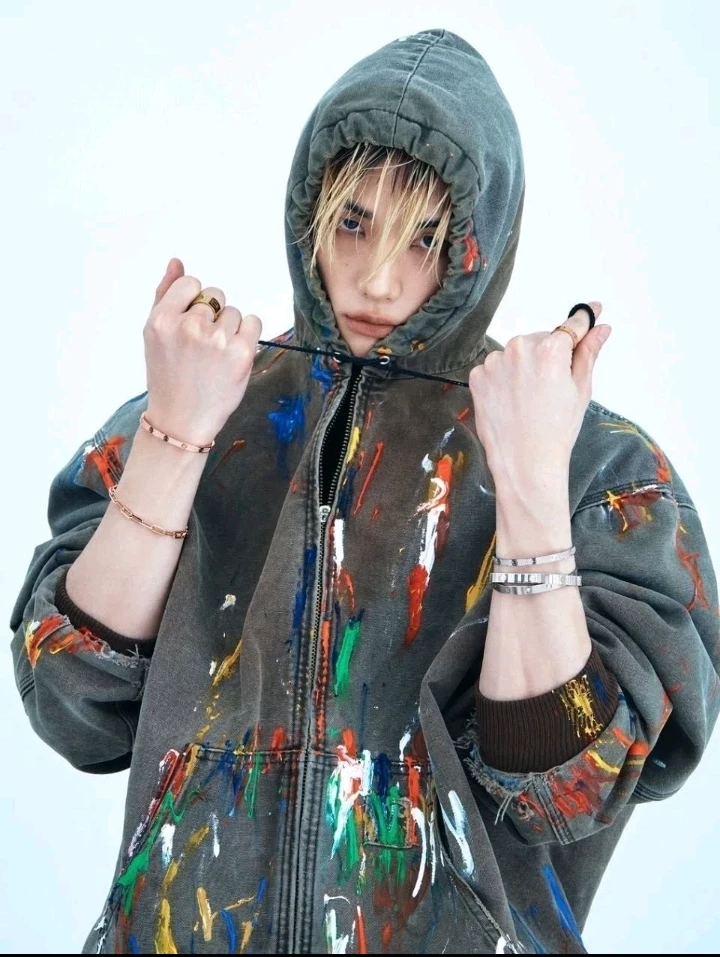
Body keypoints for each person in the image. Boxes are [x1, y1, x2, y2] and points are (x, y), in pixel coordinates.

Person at [9, 28, 719, 956]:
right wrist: (174, 437)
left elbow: (566, 788)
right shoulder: (197, 401)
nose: (379, 280)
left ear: (478, 245)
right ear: (309, 210)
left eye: (425, 238)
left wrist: (532, 483)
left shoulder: (597, 468)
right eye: (353, 222)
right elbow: (72, 703)